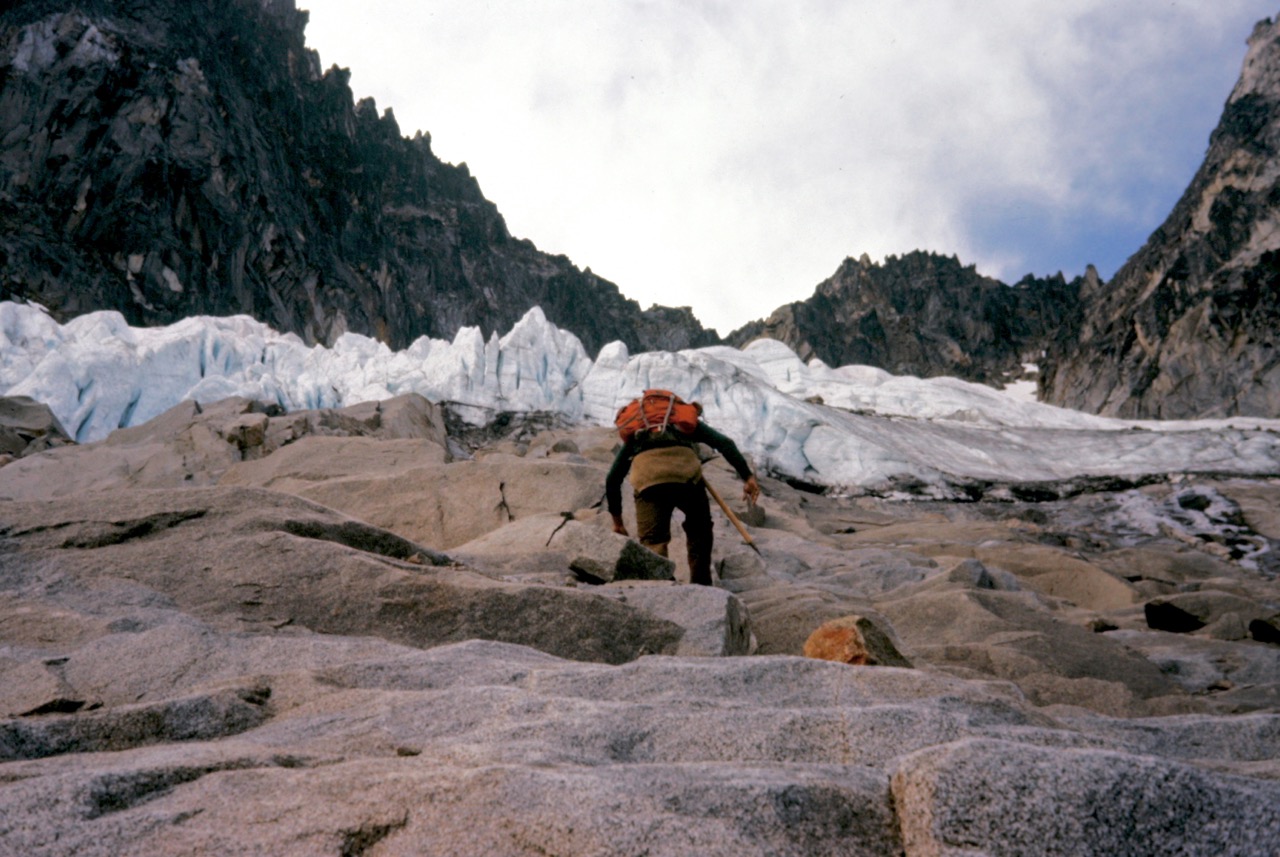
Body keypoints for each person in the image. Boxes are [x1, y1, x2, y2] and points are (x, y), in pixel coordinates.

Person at [606, 414, 760, 586]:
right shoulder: (683, 422)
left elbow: (612, 479)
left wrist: (618, 523)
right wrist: (748, 477)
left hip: (649, 482)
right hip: (687, 479)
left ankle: (661, 586)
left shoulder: (637, 430)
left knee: (653, 541)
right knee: (699, 531)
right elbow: (726, 444)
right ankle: (701, 584)